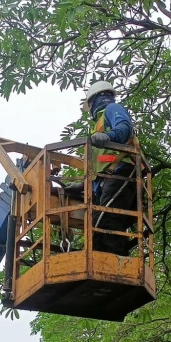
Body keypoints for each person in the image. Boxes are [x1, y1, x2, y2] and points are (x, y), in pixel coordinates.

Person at [65, 80, 140, 256]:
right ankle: (101, 261)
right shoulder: (97, 126)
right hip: (107, 179)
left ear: (95, 100)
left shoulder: (112, 109)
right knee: (97, 225)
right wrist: (84, 186)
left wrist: (107, 136)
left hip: (121, 173)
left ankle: (109, 263)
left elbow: (124, 128)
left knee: (107, 220)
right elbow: (100, 169)